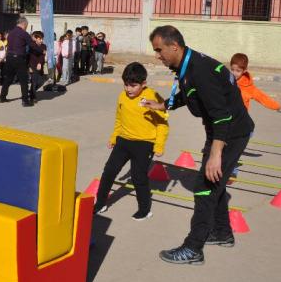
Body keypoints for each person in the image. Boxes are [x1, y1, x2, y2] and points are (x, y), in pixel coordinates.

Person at [143, 25, 254, 265]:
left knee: (204, 186)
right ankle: (222, 233)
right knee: (216, 183)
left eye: (159, 50)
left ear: (174, 46)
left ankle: (193, 248)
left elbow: (221, 115)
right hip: (222, 129)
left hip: (230, 132)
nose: (157, 56)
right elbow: (190, 94)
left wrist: (215, 154)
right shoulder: (187, 66)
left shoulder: (199, 70)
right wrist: (163, 106)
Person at [94, 62, 169, 219]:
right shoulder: (122, 96)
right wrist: (114, 137)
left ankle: (145, 208)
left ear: (144, 83)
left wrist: (159, 146)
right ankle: (100, 203)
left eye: (133, 86)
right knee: (109, 172)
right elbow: (119, 119)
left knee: (138, 177)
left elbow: (163, 124)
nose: (128, 89)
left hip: (144, 144)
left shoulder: (152, 97)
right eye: (126, 85)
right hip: (123, 141)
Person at [0, 17, 36, 107]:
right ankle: (25, 101)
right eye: (26, 26)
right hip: (19, 58)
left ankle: (2, 97)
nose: (26, 27)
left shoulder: (10, 33)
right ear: (23, 24)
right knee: (23, 80)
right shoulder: (24, 33)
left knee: (8, 78)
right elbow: (32, 45)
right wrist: (41, 50)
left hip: (9, 58)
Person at [29, 31, 47, 98]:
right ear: (36, 38)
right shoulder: (32, 45)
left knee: (40, 81)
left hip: (40, 66)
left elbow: (42, 56)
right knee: (34, 81)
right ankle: (32, 97)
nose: (41, 40)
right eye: (40, 39)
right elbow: (28, 57)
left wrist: (40, 63)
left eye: (42, 39)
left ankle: (31, 91)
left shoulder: (44, 46)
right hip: (32, 65)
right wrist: (29, 67)